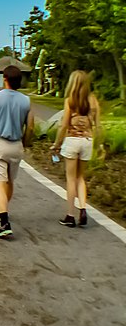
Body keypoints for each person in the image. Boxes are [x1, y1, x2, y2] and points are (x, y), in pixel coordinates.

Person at [0, 65, 34, 238]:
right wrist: (25, 143)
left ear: (5, 79)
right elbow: (31, 126)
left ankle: (4, 221)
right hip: (16, 144)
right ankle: (2, 210)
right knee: (10, 180)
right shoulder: (26, 101)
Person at [50, 70, 101, 228]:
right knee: (81, 177)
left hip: (72, 140)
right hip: (87, 140)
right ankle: (83, 208)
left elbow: (64, 125)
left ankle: (70, 215)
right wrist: (99, 145)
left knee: (71, 178)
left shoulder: (70, 101)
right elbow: (98, 125)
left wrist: (56, 144)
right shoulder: (93, 101)